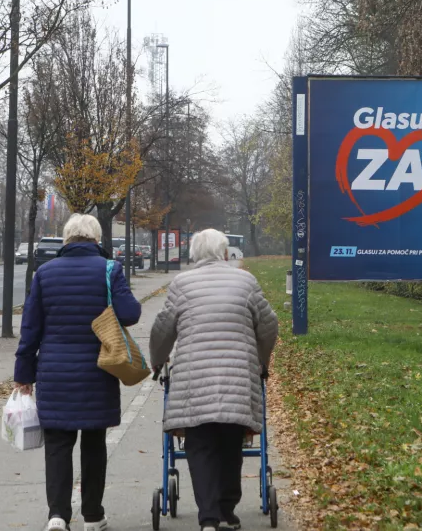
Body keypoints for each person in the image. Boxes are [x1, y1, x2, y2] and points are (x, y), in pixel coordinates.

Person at [14, 214, 141, 531]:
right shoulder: (110, 270)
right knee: (94, 443)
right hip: (98, 370)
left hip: (54, 372)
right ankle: (93, 516)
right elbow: (131, 313)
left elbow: (30, 328)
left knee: (58, 445)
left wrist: (24, 374)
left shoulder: (44, 273)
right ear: (97, 239)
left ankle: (57, 515)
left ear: (66, 239)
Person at [149, 229, 279, 531]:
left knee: (201, 445)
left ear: (194, 254)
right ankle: (226, 512)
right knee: (232, 443)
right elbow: (269, 325)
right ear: (224, 253)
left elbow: (163, 329)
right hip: (238, 376)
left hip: (195, 380)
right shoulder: (245, 281)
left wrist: (158, 359)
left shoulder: (181, 283)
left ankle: (208, 518)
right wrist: (262, 359)